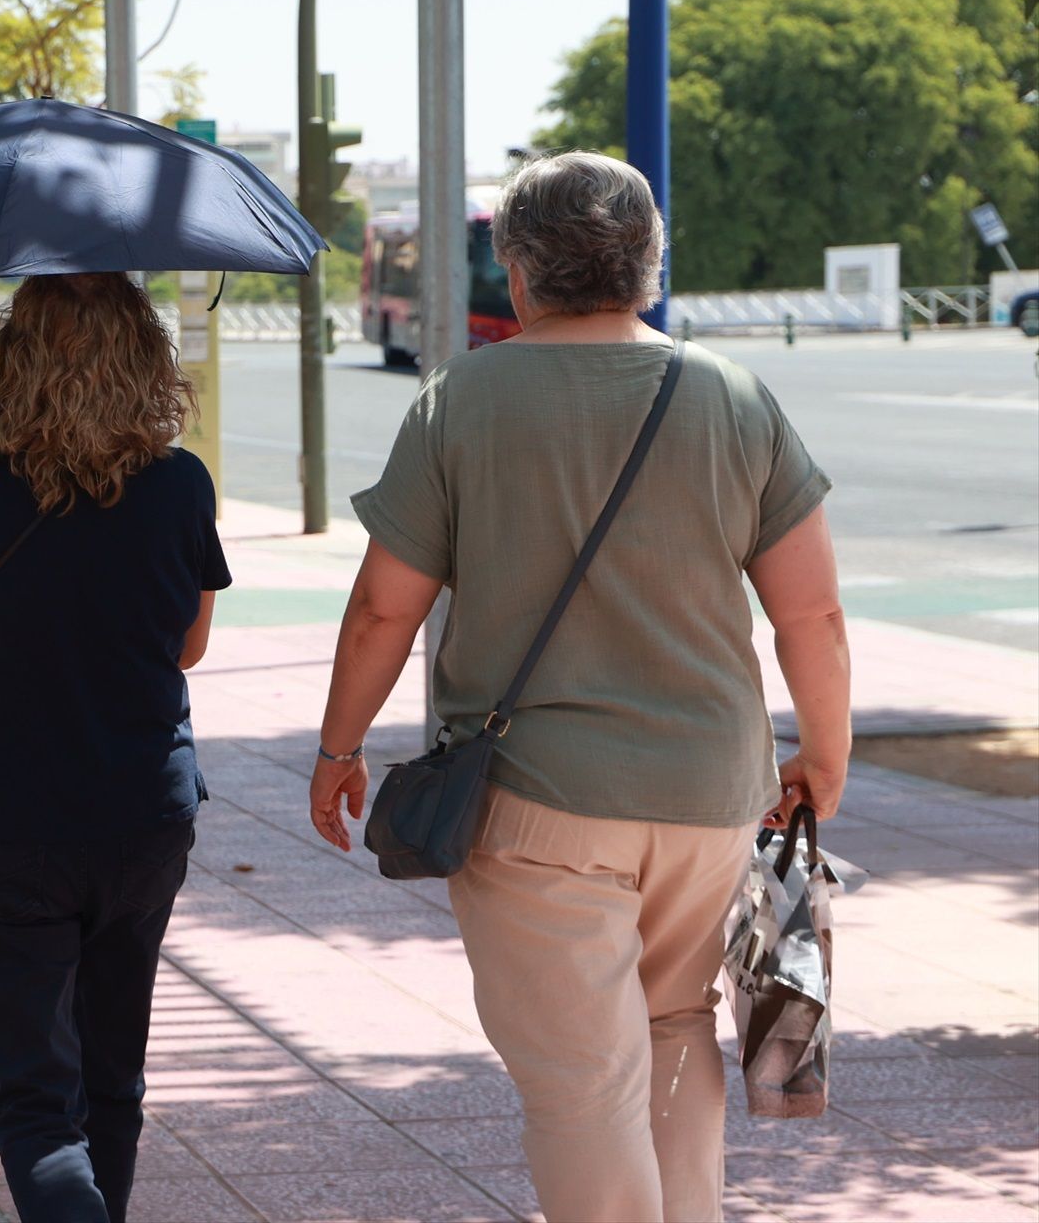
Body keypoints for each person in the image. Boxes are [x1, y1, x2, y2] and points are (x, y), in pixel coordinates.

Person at [306, 152, 849, 1222]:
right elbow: (811, 614)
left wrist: (337, 750)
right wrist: (822, 758)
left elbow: (382, 608)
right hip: (711, 795)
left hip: (536, 802)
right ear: (648, 262)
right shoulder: (734, 395)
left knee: (581, 1084)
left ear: (517, 268)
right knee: (675, 1029)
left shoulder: (459, 400)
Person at [0, 272, 230, 1223]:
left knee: (37, 1100)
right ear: (146, 364)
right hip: (141, 814)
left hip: (6, 815)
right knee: (113, 1083)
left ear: (9, 359)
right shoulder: (179, 483)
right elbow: (188, 646)